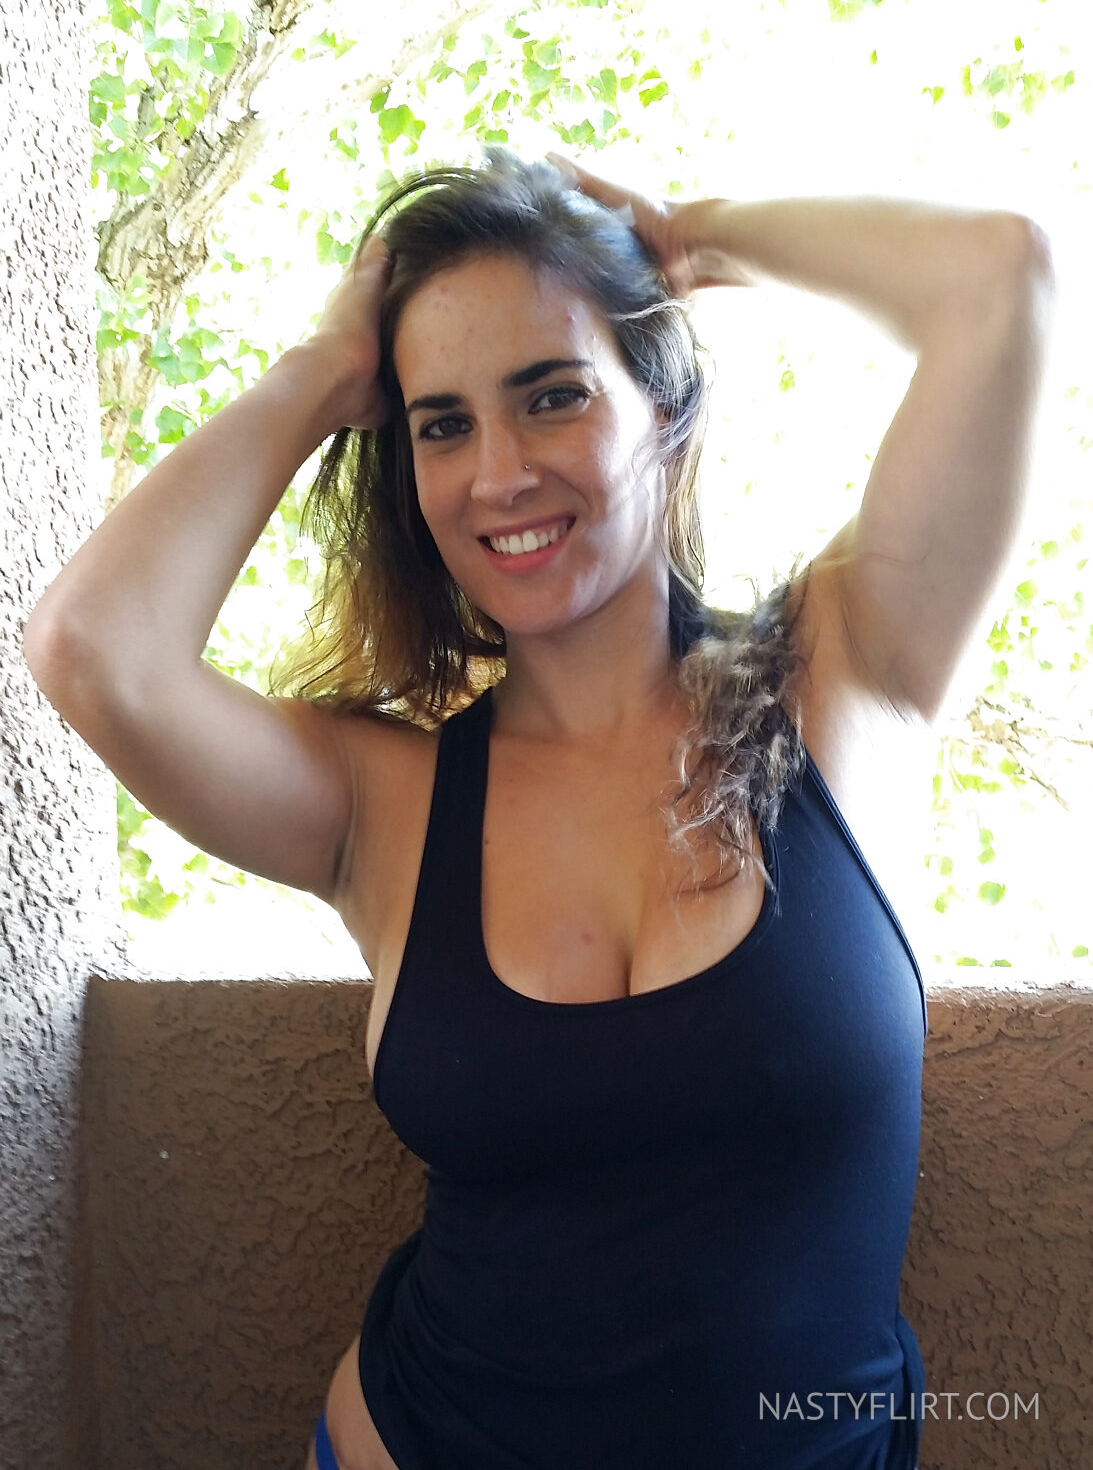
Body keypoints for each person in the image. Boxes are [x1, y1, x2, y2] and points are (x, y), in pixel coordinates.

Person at [22, 149, 1053, 1470]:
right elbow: (91, 650)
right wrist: (324, 373)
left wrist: (693, 238)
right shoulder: (383, 804)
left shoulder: (849, 676)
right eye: (441, 424)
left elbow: (1000, 279)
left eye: (552, 395)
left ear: (662, 409)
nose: (497, 474)